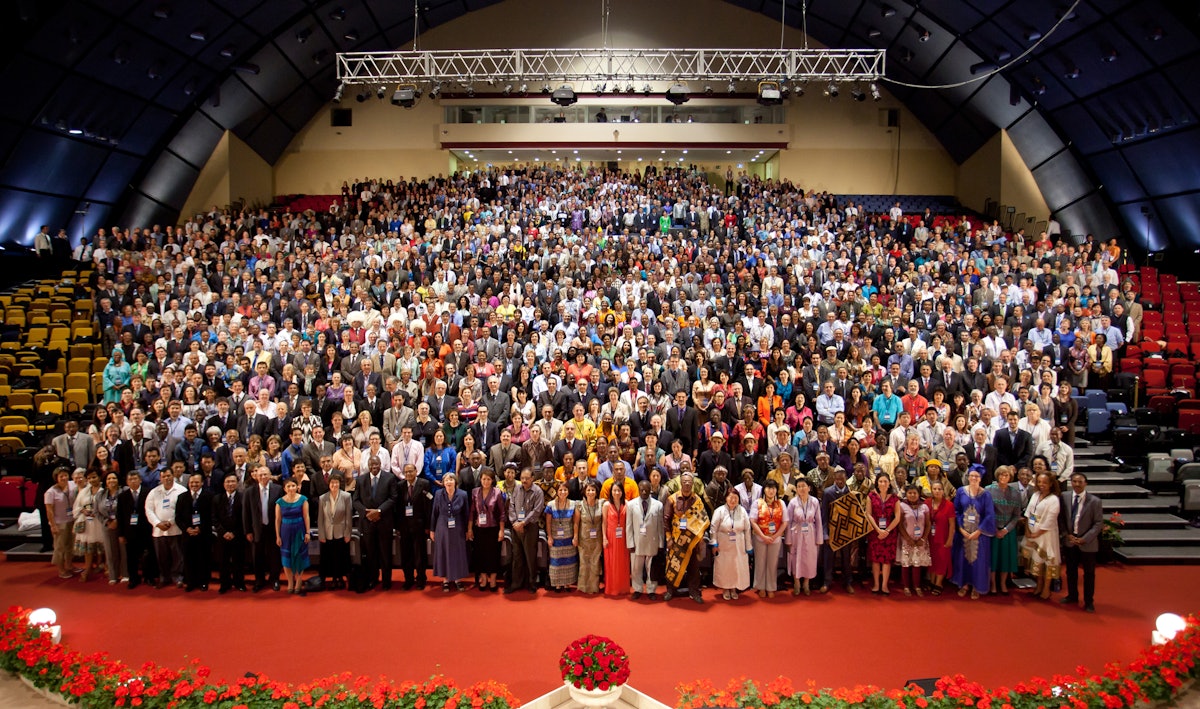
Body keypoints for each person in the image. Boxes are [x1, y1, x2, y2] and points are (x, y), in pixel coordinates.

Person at [663, 471, 708, 603]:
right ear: (680, 483)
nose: (687, 484)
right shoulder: (672, 499)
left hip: (692, 541)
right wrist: (669, 538)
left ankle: (694, 592)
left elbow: (703, 520)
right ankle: (670, 590)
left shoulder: (697, 500)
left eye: (689, 482)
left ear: (692, 483)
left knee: (694, 568)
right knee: (673, 566)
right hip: (676, 540)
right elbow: (666, 519)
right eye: (684, 482)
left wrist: (700, 540)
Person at [1060, 472, 1103, 612]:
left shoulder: (1095, 501)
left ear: (1086, 483)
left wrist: (1084, 538)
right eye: (1074, 481)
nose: (1077, 484)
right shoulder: (1064, 497)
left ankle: (1089, 601)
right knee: (1071, 571)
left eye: (1080, 482)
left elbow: (1098, 523)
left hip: (1087, 543)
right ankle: (1072, 595)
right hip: (1070, 541)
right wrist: (1067, 535)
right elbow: (1061, 519)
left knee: (1089, 574)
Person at [952, 466, 996, 599]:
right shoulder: (961, 491)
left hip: (979, 534)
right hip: (963, 532)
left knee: (978, 560)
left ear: (980, 478)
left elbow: (989, 515)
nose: (973, 478)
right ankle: (964, 583)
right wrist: (960, 528)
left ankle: (977, 586)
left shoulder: (986, 494)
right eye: (971, 476)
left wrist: (979, 531)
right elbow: (957, 510)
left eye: (976, 476)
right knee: (963, 558)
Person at [354, 455, 397, 590]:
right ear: (368, 465)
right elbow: (355, 500)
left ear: (381, 464)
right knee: (371, 554)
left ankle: (386, 581)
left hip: (384, 522)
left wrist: (379, 511)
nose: (374, 467)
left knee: (385, 553)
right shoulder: (360, 480)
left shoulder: (389, 478)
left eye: (376, 464)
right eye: (371, 465)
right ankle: (373, 578)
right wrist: (367, 512)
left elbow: (393, 498)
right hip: (367, 523)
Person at [145, 465, 186, 588]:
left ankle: (178, 577)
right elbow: (148, 510)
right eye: (164, 476)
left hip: (175, 529)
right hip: (159, 531)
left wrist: (170, 522)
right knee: (161, 556)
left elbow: (182, 510)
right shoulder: (154, 492)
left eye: (169, 475)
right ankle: (164, 577)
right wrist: (158, 523)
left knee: (177, 555)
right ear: (160, 478)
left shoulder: (181, 490)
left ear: (173, 476)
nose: (167, 478)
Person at [243, 465, 283, 592]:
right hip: (256, 529)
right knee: (257, 556)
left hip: (273, 528)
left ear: (270, 475)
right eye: (260, 474)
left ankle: (274, 579)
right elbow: (246, 513)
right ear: (255, 476)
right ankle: (259, 580)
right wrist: (248, 531)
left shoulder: (278, 489)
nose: (263, 477)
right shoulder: (249, 491)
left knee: (274, 555)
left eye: (265, 474)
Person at [1023, 471, 1062, 600]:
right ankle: (1038, 586)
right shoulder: (1035, 495)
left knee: (1046, 561)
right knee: (1036, 561)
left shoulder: (1054, 499)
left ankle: (1046, 588)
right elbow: (1028, 513)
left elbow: (1050, 520)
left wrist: (1038, 533)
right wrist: (1028, 530)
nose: (1041, 485)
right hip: (1032, 532)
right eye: (1039, 482)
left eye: (1044, 482)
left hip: (1046, 535)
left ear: (1051, 484)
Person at [505, 466, 544, 593]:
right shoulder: (516, 488)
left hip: (530, 527)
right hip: (516, 527)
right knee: (517, 556)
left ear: (533, 478)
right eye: (522, 478)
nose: (524, 481)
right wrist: (515, 522)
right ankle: (516, 583)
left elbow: (537, 510)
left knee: (530, 557)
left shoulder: (538, 491)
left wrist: (523, 522)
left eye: (527, 478)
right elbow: (511, 505)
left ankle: (531, 584)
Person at [430, 472, 471, 591]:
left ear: (455, 482)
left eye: (451, 480)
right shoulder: (438, 494)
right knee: (444, 552)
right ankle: (446, 580)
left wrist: (467, 530)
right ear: (443, 483)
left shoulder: (463, 494)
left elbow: (466, 513)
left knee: (457, 553)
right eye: (446, 480)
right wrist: (432, 530)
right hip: (442, 526)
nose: (449, 482)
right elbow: (434, 513)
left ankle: (458, 579)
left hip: (458, 527)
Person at [986, 465, 1023, 595]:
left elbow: (1017, 515)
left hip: (1008, 531)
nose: (1003, 477)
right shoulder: (988, 490)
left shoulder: (1015, 493)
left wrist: (1006, 530)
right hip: (993, 529)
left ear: (1010, 477)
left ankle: (1003, 583)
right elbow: (987, 512)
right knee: (993, 558)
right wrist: (995, 528)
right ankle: (993, 584)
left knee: (1006, 559)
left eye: (1006, 475)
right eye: (1001, 475)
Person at [710, 487, 752, 601]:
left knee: (737, 566)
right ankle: (725, 588)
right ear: (726, 498)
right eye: (730, 498)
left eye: (735, 498)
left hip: (739, 543)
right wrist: (714, 544)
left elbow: (747, 529)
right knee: (725, 566)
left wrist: (749, 547)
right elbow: (713, 529)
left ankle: (734, 587)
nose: (733, 500)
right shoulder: (719, 511)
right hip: (724, 543)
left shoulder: (742, 511)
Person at [175, 472, 214, 591]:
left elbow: (211, 516)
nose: (194, 484)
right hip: (187, 534)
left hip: (203, 534)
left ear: (202, 483)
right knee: (188, 558)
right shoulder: (182, 497)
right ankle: (191, 582)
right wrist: (186, 529)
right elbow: (178, 517)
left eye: (197, 482)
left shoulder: (209, 496)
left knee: (203, 558)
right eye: (191, 482)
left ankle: (203, 582)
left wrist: (200, 528)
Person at [625, 479, 663, 600]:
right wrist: (630, 543)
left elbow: (660, 526)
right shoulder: (631, 505)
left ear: (650, 489)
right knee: (636, 568)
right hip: (637, 541)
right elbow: (629, 525)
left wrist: (661, 543)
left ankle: (651, 589)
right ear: (638, 489)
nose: (644, 492)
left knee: (651, 567)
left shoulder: (658, 505)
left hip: (652, 541)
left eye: (646, 489)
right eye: (642, 489)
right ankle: (637, 588)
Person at [469, 468, 506, 592]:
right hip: (479, 528)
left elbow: (502, 513)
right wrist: (469, 529)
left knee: (493, 554)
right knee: (480, 554)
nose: (486, 481)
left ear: (492, 480)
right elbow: (472, 512)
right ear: (480, 479)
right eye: (484, 479)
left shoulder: (497, 492)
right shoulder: (475, 492)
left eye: (488, 479)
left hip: (493, 528)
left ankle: (493, 579)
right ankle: (483, 578)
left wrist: (501, 530)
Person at [396, 462, 432, 589]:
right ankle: (408, 579)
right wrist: (398, 526)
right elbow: (398, 508)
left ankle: (421, 579)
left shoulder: (424, 484)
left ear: (416, 471)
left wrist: (428, 526)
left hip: (419, 526)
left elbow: (428, 506)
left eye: (411, 471)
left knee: (419, 554)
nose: (408, 474)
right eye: (406, 472)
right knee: (406, 554)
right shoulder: (400, 486)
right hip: (404, 526)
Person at [117, 469, 154, 588]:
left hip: (146, 530)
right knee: (131, 557)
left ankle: (149, 577)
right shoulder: (122, 496)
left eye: (135, 479)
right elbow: (120, 516)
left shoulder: (148, 493)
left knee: (148, 555)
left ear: (140, 480)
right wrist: (121, 534)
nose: (133, 481)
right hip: (130, 532)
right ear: (127, 482)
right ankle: (133, 578)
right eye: (130, 479)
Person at [784, 477, 822, 595]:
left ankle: (806, 583)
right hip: (796, 532)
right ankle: (796, 582)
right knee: (796, 557)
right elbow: (788, 521)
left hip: (810, 532)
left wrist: (819, 539)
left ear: (809, 488)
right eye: (799, 486)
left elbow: (819, 521)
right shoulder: (793, 502)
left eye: (804, 486)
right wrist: (788, 539)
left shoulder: (815, 501)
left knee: (809, 558)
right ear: (796, 489)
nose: (801, 488)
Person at [820, 469, 855, 594]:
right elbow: (824, 515)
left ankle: (848, 582)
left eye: (842, 479)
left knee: (846, 559)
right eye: (837, 479)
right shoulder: (827, 492)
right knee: (828, 558)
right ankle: (827, 582)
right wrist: (825, 534)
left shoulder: (850, 492)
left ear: (846, 478)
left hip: (846, 531)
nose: (840, 481)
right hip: (831, 530)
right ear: (834, 479)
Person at [750, 479, 787, 597]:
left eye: (773, 488)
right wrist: (762, 535)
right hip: (760, 538)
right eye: (768, 488)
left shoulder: (781, 503)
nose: (771, 491)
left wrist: (775, 536)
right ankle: (760, 587)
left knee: (773, 563)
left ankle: (771, 587)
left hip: (775, 539)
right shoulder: (757, 502)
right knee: (760, 563)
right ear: (764, 490)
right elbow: (753, 521)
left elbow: (785, 522)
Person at [317, 471, 354, 590]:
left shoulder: (346, 496)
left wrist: (348, 533)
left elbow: (348, 517)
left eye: (336, 483)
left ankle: (340, 578)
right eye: (332, 483)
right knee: (329, 557)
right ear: (329, 485)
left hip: (341, 532)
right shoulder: (323, 498)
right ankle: (332, 578)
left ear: (340, 484)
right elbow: (320, 518)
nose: (334, 485)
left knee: (341, 556)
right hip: (327, 532)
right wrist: (321, 534)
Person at [275, 477, 311, 594]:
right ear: (284, 488)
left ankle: (299, 581)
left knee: (299, 557)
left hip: (299, 530)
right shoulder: (279, 502)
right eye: (288, 486)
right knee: (287, 558)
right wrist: (278, 536)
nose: (291, 488)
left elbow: (306, 516)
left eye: (293, 486)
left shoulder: (303, 499)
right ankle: (290, 581)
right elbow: (278, 520)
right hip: (285, 531)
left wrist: (307, 532)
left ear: (297, 487)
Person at [212, 472, 247, 593]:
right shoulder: (217, 498)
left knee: (239, 560)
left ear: (237, 483)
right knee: (223, 561)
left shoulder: (243, 497)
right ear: (223, 484)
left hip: (238, 535)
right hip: (223, 536)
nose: (230, 484)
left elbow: (245, 518)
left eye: (233, 481)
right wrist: (223, 532)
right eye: (228, 482)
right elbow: (214, 518)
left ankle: (239, 583)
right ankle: (224, 584)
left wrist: (234, 533)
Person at [867, 473, 901, 594]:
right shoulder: (871, 496)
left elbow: (897, 517)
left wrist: (887, 531)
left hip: (889, 533)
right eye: (880, 481)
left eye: (885, 481)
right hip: (875, 532)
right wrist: (878, 529)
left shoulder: (895, 498)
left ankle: (885, 585)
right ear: (877, 483)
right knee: (875, 559)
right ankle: (876, 584)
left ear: (889, 483)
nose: (883, 484)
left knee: (887, 560)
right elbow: (868, 514)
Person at [896, 484, 931, 596]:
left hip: (920, 540)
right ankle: (906, 586)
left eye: (914, 493)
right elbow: (900, 524)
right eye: (910, 493)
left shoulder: (924, 506)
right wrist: (907, 538)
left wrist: (924, 538)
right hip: (906, 539)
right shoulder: (902, 505)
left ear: (918, 494)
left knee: (917, 563)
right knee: (906, 564)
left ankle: (917, 586)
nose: (912, 495)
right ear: (906, 494)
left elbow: (928, 524)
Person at [71, 469, 105, 581]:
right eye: (89, 478)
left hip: (99, 522)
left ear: (99, 477)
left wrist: (98, 512)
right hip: (87, 522)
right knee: (88, 547)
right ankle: (88, 567)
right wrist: (82, 510)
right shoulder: (84, 491)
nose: (91, 480)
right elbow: (77, 506)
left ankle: (102, 565)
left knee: (102, 545)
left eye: (94, 477)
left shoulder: (104, 490)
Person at [545, 481, 579, 591]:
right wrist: (549, 537)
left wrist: (575, 536)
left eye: (565, 490)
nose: (563, 492)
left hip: (569, 538)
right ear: (556, 491)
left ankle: (567, 584)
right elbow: (548, 523)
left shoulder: (574, 504)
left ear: (568, 492)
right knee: (556, 562)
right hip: (555, 538)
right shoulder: (550, 505)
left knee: (569, 561)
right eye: (560, 490)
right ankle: (557, 584)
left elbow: (575, 523)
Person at [925, 480, 955, 595]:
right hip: (930, 537)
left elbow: (952, 524)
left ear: (943, 491)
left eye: (939, 489)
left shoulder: (949, 505)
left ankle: (938, 583)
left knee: (942, 561)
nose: (937, 491)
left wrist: (950, 539)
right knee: (932, 560)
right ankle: (932, 581)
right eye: (935, 489)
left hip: (943, 537)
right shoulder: (927, 503)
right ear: (931, 490)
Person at [603, 481, 631, 596]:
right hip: (610, 536)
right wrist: (604, 538)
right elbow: (604, 523)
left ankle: (623, 588)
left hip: (623, 537)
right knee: (611, 563)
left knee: (623, 563)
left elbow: (629, 522)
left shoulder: (627, 504)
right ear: (611, 492)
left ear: (622, 492)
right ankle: (612, 588)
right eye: (614, 490)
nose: (616, 492)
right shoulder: (606, 505)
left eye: (619, 490)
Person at [97, 471, 124, 585]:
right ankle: (113, 575)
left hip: (122, 525)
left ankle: (125, 574)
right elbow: (96, 511)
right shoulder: (100, 494)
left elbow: (127, 508)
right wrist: (107, 522)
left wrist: (118, 521)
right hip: (107, 526)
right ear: (105, 482)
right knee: (110, 552)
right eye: (108, 479)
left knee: (123, 550)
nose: (111, 481)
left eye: (114, 478)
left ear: (118, 480)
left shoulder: (124, 491)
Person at [576, 481, 602, 594]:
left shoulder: (601, 504)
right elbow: (576, 523)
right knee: (584, 562)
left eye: (593, 490)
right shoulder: (579, 505)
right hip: (583, 538)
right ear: (584, 492)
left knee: (595, 562)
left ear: (596, 492)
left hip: (597, 538)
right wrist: (575, 537)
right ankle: (583, 586)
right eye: (588, 490)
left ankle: (594, 587)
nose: (590, 492)